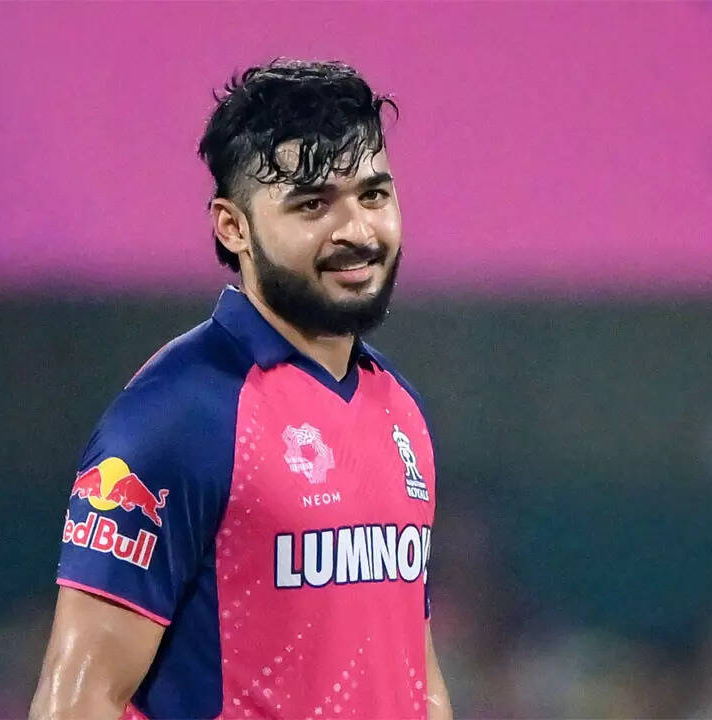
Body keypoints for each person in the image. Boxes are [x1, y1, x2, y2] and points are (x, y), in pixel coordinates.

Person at [29, 59, 451, 720]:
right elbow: (78, 702)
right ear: (233, 227)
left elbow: (415, 678)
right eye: (312, 204)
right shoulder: (176, 417)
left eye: (373, 195)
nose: (358, 231)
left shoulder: (399, 408)